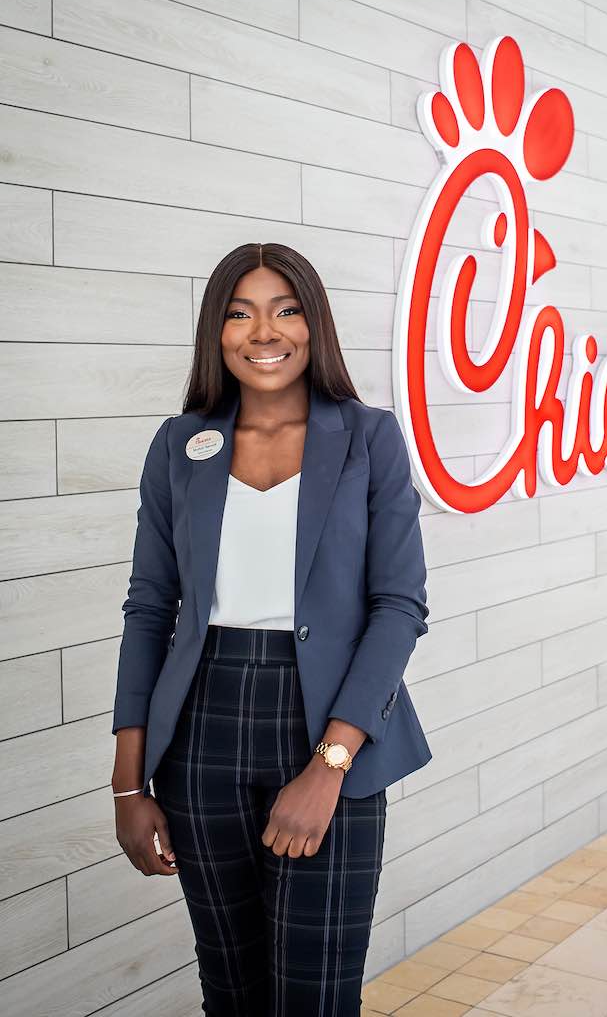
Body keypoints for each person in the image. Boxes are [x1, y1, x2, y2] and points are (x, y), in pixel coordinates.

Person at [110, 242, 432, 1016]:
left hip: (330, 725)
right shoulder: (179, 445)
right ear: (215, 333)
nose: (265, 330)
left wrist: (330, 765)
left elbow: (400, 604)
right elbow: (150, 609)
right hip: (200, 734)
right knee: (231, 990)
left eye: (286, 308)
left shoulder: (368, 438)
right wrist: (129, 781)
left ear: (313, 324)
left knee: (315, 994)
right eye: (239, 311)